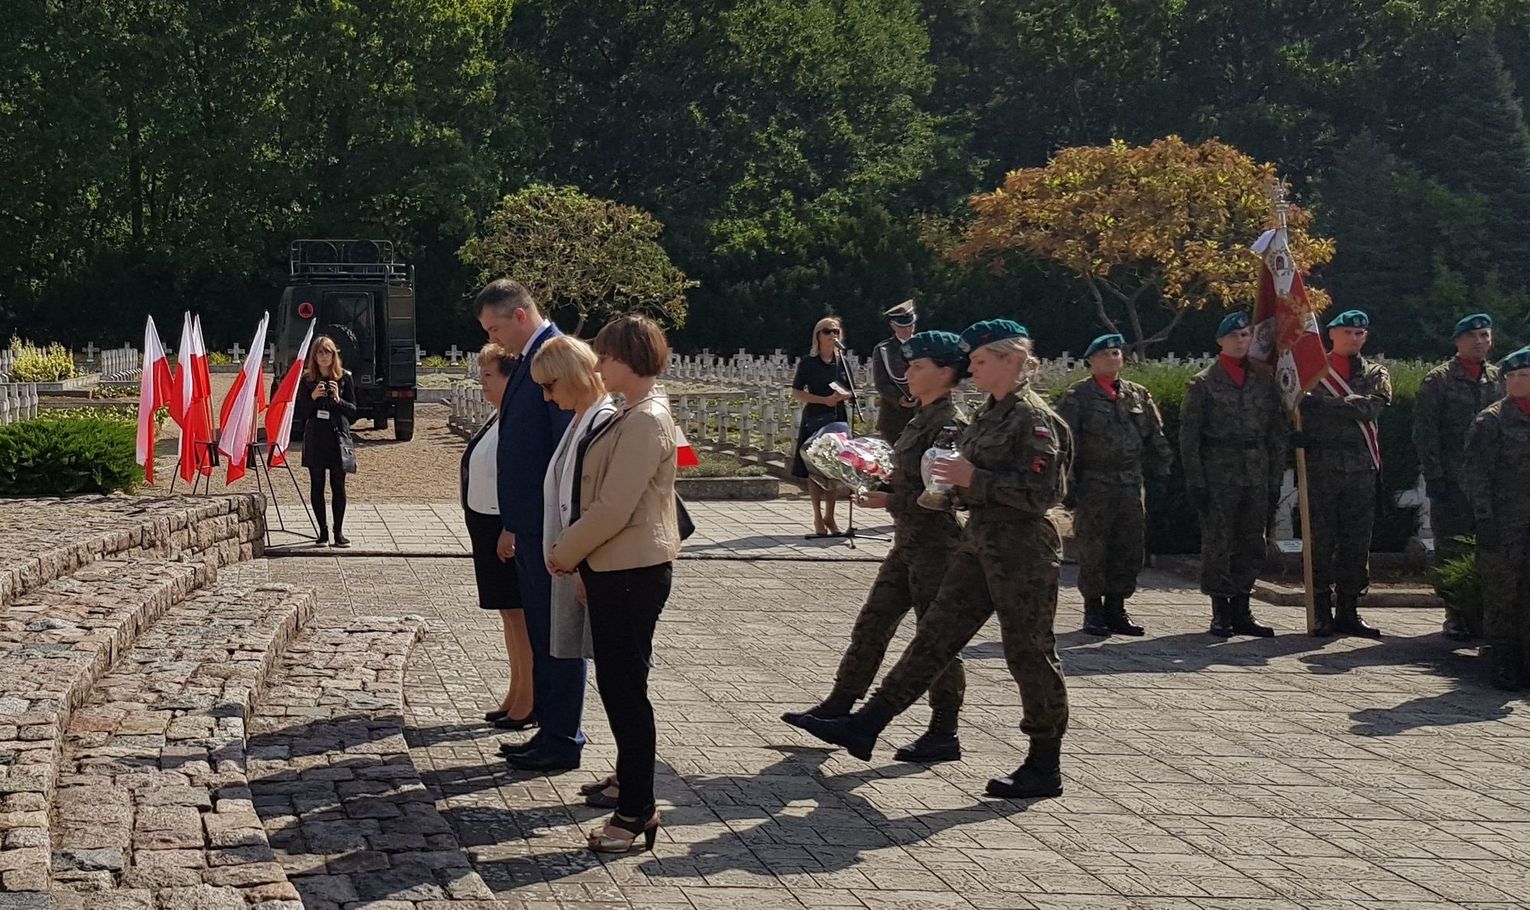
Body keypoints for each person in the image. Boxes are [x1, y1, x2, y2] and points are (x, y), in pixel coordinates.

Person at [790, 320, 1075, 800]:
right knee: (934, 638)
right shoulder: (988, 414)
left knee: (1029, 652)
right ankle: (867, 723)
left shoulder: (1034, 419)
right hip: (979, 542)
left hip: (1022, 549)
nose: (972, 369)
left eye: (980, 361)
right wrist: (945, 488)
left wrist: (971, 479)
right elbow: (953, 485)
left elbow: (1044, 494)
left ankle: (1043, 762)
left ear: (1011, 360)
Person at [781, 331, 970, 763]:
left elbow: (948, 495)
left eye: (918, 367)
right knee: (873, 622)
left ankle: (944, 730)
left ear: (944, 373)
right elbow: (909, 475)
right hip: (908, 542)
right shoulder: (921, 418)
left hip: (937, 545)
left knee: (935, 640)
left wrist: (890, 500)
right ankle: (839, 705)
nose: (908, 373)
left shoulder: (950, 424)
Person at [547, 314, 682, 854]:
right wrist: (582, 563)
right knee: (621, 687)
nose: (598, 366)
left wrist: (564, 553)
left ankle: (636, 811)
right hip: (612, 569)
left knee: (627, 693)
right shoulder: (630, 412)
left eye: (605, 357)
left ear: (628, 358)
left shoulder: (646, 419)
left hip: (632, 572)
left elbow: (613, 507)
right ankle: (631, 787)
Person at [474, 279, 583, 774]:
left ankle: (562, 737)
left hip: (547, 527)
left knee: (556, 636)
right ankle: (551, 728)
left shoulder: (553, 357)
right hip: (531, 526)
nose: (495, 340)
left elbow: (561, 452)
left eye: (495, 328)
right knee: (542, 632)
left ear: (519, 315)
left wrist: (544, 526)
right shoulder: (530, 358)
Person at [531, 335, 618, 799]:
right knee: (587, 659)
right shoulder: (580, 418)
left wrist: (582, 564)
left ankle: (627, 775)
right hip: (572, 562)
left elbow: (599, 502)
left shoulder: (602, 419)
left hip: (591, 565)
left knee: (617, 676)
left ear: (573, 376)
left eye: (550, 386)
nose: (548, 398)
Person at [1056, 333, 1172, 637]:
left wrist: (1161, 474)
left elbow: (1155, 436)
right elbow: (1065, 443)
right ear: (1091, 361)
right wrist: (1069, 484)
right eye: (1105, 354)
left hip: (1130, 483)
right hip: (1095, 482)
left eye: (1117, 353)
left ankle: (1117, 608)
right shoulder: (1078, 396)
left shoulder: (1138, 394)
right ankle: (1093, 610)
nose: (1113, 357)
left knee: (1129, 546)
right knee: (1094, 548)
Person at [1179, 311, 1284, 638]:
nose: (1241, 340)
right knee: (1219, 542)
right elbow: (1189, 437)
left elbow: (1275, 432)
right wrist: (1196, 480)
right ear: (1220, 341)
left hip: (1256, 470)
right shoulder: (1203, 383)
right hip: (1218, 472)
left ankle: (1242, 608)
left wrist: (1275, 478)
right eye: (1234, 336)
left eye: (1245, 335)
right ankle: (1221, 611)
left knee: (1252, 541)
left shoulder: (1264, 380)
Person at [1299, 309, 1392, 638]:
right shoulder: (1313, 371)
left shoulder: (1376, 372)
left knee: (1356, 542)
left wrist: (1323, 405)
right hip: (1321, 467)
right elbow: (1295, 408)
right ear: (1332, 334)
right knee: (1320, 541)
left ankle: (1349, 610)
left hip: (1360, 469)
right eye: (1347, 332)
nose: (1354, 338)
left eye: (1359, 333)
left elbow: (1371, 407)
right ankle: (1321, 609)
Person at [1413, 313, 1502, 640]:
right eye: (1473, 336)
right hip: (1452, 480)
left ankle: (1486, 612)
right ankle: (1455, 613)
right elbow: (1425, 433)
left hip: (1492, 482)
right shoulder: (1438, 380)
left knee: (1490, 547)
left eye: (1485, 335)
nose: (1480, 342)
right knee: (1452, 547)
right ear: (1458, 341)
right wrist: (1435, 476)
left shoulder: (1500, 379)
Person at [461, 343, 534, 730]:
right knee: (508, 614)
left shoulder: (519, 419)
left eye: (489, 375)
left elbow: (521, 477)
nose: (483, 383)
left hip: (505, 526)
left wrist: (512, 526)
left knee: (519, 615)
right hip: (485, 521)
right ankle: (516, 688)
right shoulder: (497, 415)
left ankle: (529, 698)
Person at [1463, 345, 1530, 690]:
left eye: (1524, 376)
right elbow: (1475, 475)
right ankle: (1503, 661)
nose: (1516, 382)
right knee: (1503, 595)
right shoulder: (1491, 420)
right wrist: (1485, 519)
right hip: (1504, 524)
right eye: (1512, 376)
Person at [791, 316, 854, 536]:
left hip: (838, 419)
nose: (832, 335)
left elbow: (852, 391)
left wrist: (843, 395)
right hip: (816, 418)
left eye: (836, 331)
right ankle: (817, 516)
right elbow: (797, 392)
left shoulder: (842, 362)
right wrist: (823, 400)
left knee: (833, 470)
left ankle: (831, 516)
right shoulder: (808, 363)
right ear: (818, 335)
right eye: (827, 331)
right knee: (816, 469)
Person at [296, 335, 357, 547]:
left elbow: (354, 412)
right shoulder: (307, 380)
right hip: (316, 437)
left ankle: (338, 532)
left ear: (334, 355)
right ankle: (322, 532)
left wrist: (338, 400)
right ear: (314, 356)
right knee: (317, 484)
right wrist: (313, 397)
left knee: (338, 485)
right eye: (320, 352)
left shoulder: (345, 378)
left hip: (337, 437)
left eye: (328, 352)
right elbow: (301, 412)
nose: (324, 356)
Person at [870, 300, 920, 443]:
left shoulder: (924, 345)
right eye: (903, 326)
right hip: (894, 417)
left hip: (922, 414)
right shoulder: (884, 349)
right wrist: (899, 398)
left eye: (911, 325)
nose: (908, 329)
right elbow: (881, 383)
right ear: (893, 326)